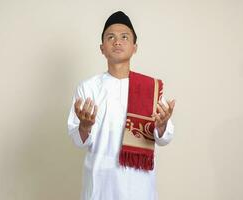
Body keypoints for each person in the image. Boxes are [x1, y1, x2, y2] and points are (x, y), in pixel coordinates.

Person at [67, 11, 176, 200]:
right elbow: (77, 140)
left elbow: (164, 139)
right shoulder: (88, 88)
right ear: (102, 48)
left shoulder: (150, 88)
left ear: (135, 47)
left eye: (124, 37)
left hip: (139, 186)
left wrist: (162, 125)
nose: (117, 41)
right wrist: (84, 126)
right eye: (111, 37)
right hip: (100, 183)